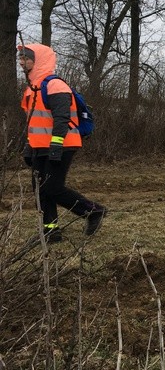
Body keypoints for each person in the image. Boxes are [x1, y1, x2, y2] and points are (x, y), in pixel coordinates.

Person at [17, 43, 106, 243]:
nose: (21, 62)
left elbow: (61, 118)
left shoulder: (55, 85)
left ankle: (93, 211)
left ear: (38, 60)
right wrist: (29, 146)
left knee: (53, 188)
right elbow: (34, 123)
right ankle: (51, 231)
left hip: (62, 144)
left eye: (26, 58)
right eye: (20, 58)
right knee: (40, 189)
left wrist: (56, 145)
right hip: (41, 146)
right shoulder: (32, 88)